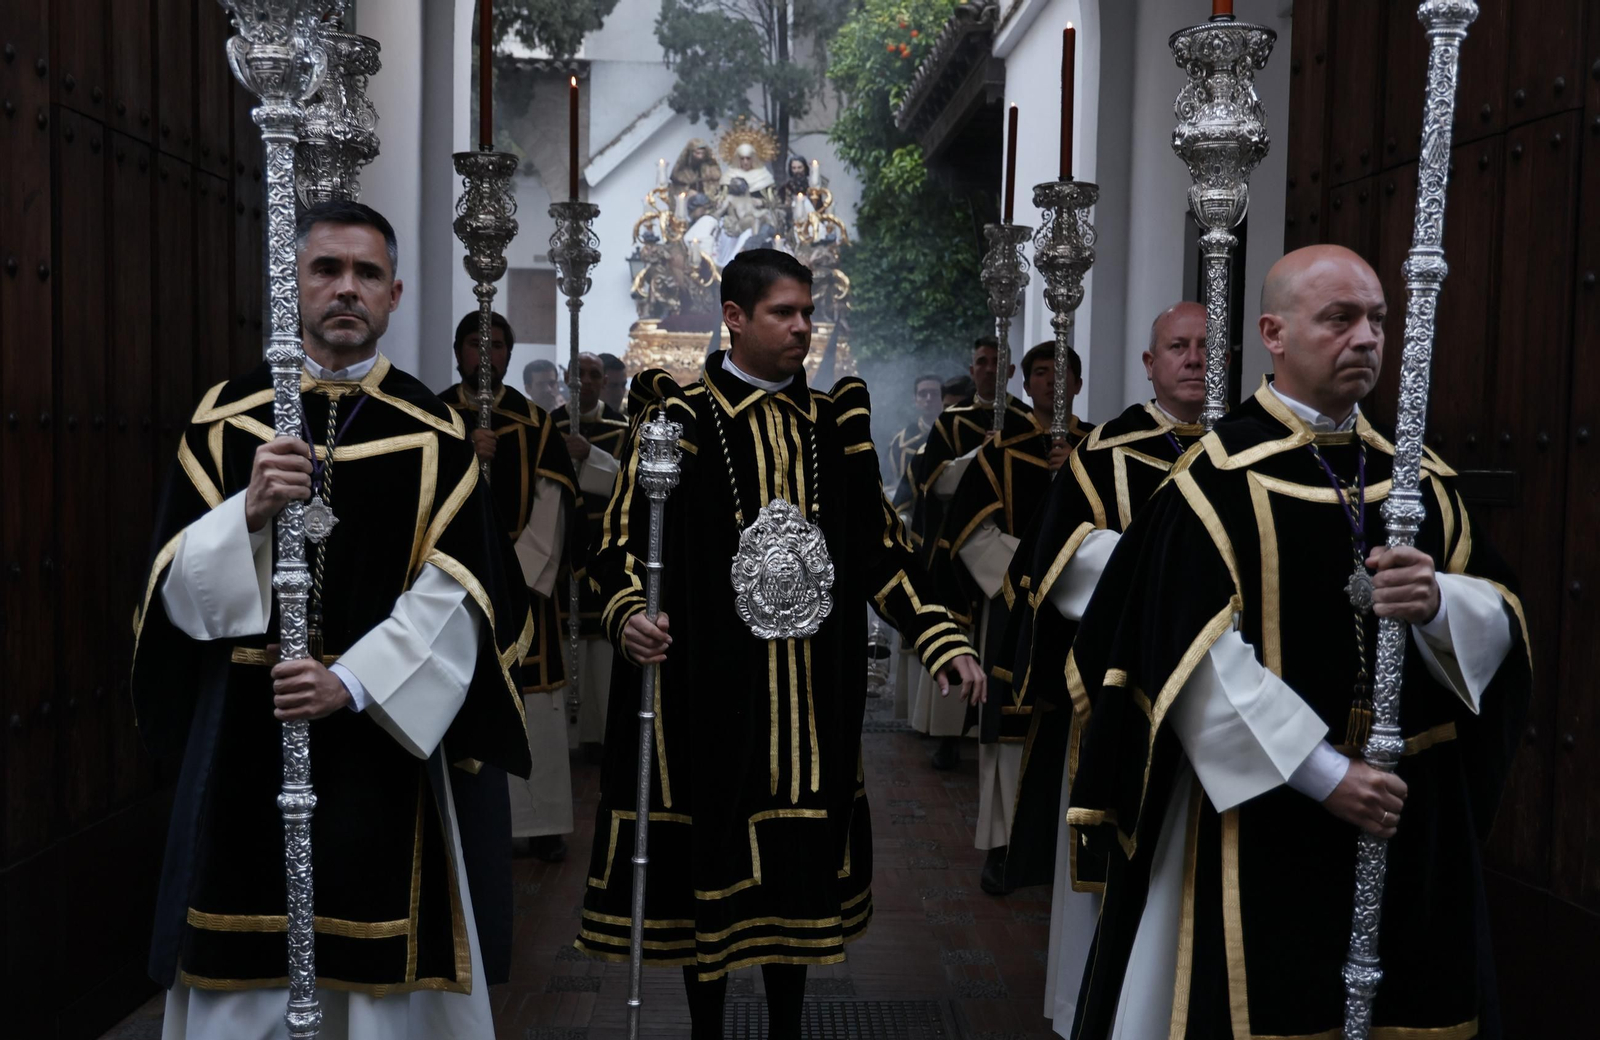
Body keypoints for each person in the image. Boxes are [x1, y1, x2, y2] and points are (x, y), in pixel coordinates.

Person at [1065, 246, 1530, 1038]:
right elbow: (1189, 655)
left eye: (1378, 319)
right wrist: (1322, 773)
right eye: (1340, 318)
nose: (1367, 339)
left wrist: (1439, 603)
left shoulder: (1417, 476)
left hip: (1405, 814)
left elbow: (1503, 615)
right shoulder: (1214, 479)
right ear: (1275, 334)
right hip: (1265, 807)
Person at [133, 200, 534, 1039]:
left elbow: (459, 596)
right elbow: (168, 593)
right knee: (241, 974)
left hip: (381, 748)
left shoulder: (435, 434)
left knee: (383, 988)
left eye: (365, 273)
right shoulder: (224, 420)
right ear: (293, 287)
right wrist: (244, 512)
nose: (345, 289)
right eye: (325, 270)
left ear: (393, 294)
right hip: (250, 734)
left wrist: (350, 680)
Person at [572, 250, 986, 1040]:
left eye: (808, 314)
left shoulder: (835, 428)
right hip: (706, 688)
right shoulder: (678, 422)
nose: (803, 328)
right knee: (712, 860)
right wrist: (628, 612)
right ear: (735, 317)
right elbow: (621, 544)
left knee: (798, 865)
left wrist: (939, 637)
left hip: (811, 691)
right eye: (784, 314)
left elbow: (880, 552)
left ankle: (790, 1028)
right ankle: (705, 1028)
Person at [993, 302, 1206, 1032]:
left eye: (1207, 346)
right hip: (1121, 688)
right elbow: (1055, 557)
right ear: (1150, 364)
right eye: (1177, 346)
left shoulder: (1242, 449)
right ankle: (1082, 1012)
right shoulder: (1108, 450)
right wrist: (1157, 578)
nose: (1195, 359)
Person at [938, 342, 1091, 894]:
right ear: (1026, 386)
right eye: (1041, 373)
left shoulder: (1100, 447)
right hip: (1018, 612)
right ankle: (1002, 848)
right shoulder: (999, 451)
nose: (1052, 382)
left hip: (1085, 611)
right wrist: (1032, 576)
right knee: (1010, 735)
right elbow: (971, 536)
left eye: (1063, 373)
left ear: (1077, 384)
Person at [443, 310, 581, 867]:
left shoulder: (534, 423)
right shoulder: (431, 414)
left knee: (535, 702)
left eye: (496, 345)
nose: (485, 355)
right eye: (474, 345)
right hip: (448, 588)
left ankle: (540, 822)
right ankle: (458, 818)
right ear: (458, 352)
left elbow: (552, 502)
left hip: (519, 592)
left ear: (508, 354)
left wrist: (511, 580)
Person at [905, 335, 1013, 770]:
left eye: (997, 362)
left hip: (1007, 541)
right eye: (981, 362)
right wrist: (982, 453)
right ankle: (948, 736)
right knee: (960, 630)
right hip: (958, 546)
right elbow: (938, 483)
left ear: (1008, 372)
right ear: (973, 372)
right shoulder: (951, 423)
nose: (988, 369)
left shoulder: (1024, 421)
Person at [550, 352, 628, 756]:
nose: (585, 381)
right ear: (565, 378)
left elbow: (630, 482)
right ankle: (567, 737)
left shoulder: (621, 428)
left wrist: (591, 456)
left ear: (604, 381)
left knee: (602, 645)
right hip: (558, 553)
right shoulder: (548, 426)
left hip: (604, 551)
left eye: (594, 375)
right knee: (563, 637)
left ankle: (600, 735)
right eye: (577, 373)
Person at [886, 372, 944, 506]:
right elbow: (889, 483)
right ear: (915, 400)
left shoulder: (955, 433)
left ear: (943, 398)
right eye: (923, 394)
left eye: (934, 393)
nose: (928, 398)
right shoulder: (900, 443)